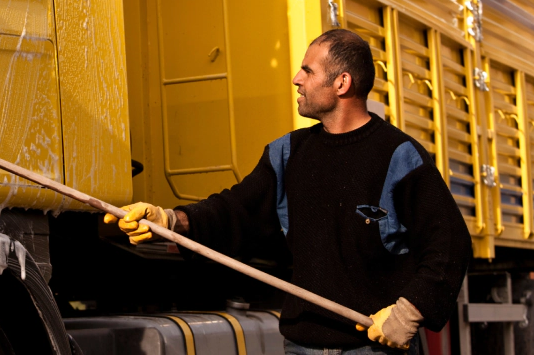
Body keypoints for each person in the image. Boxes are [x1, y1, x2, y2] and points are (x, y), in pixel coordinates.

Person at [105, 29, 472, 354]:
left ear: (341, 83)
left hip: (373, 350)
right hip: (301, 346)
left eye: (308, 71)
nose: (297, 79)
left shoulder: (398, 156)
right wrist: (170, 219)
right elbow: (237, 210)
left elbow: (450, 244)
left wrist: (410, 311)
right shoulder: (287, 153)